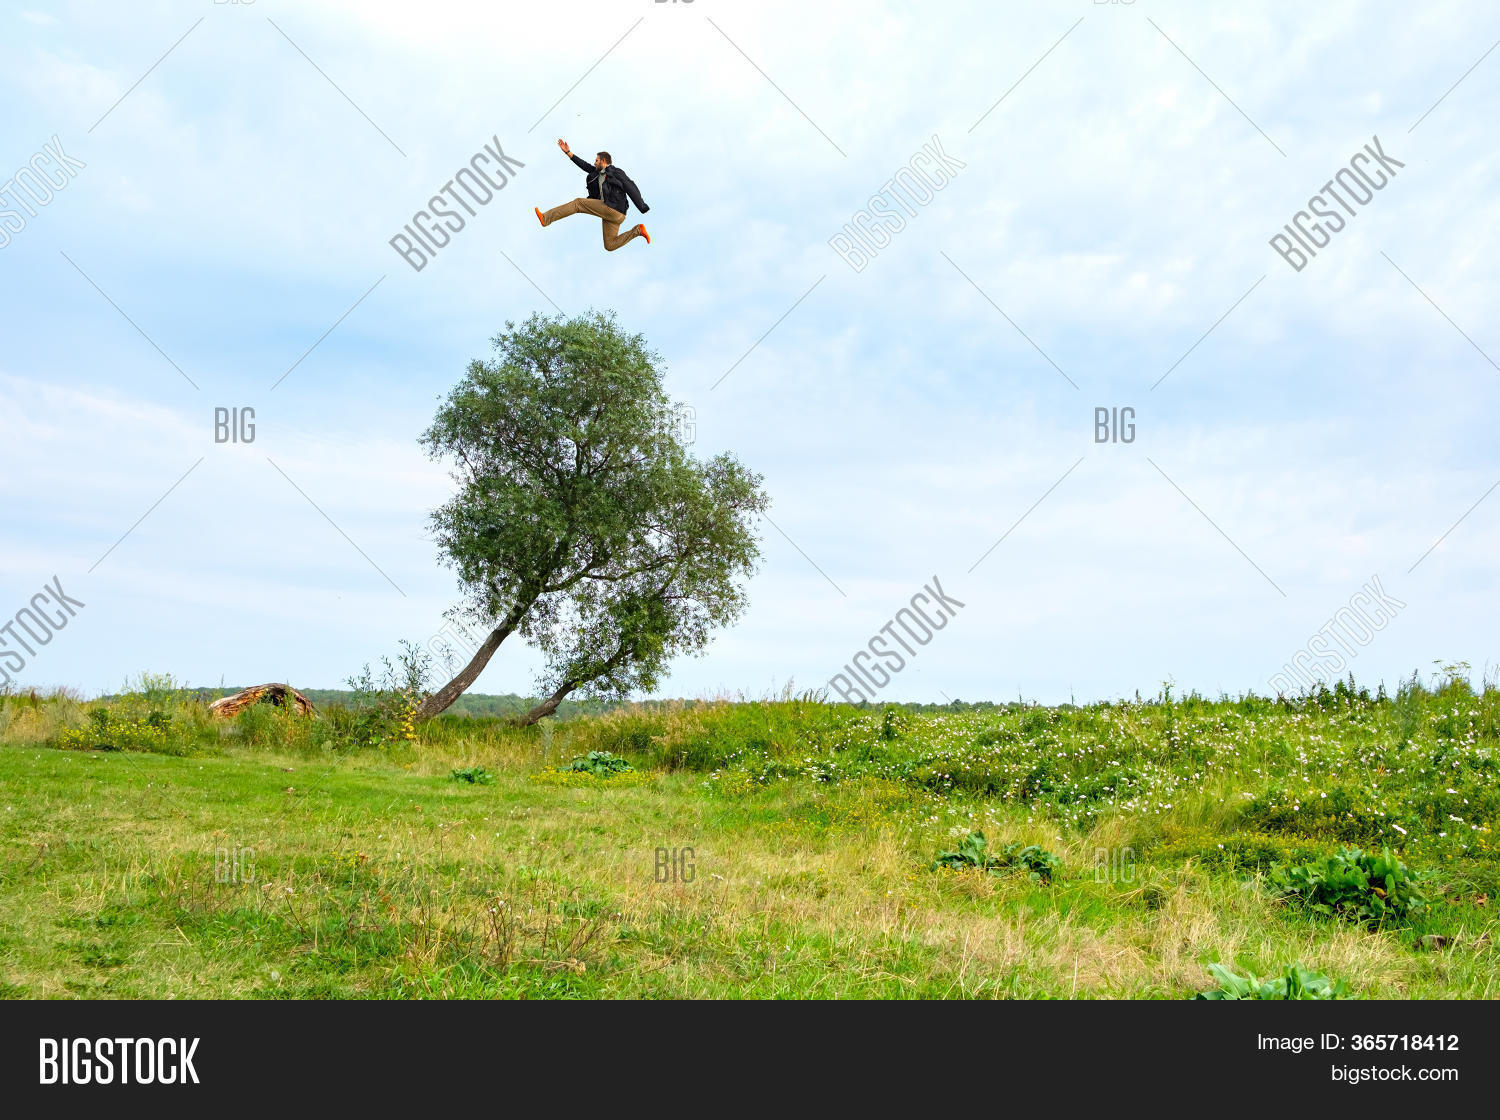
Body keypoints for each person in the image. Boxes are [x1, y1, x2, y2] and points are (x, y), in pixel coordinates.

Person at [535, 140, 651, 251]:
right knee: (609, 245)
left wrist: (642, 206)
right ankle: (638, 230)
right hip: (617, 216)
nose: (594, 163)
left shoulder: (615, 172)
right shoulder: (597, 173)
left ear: (603, 161)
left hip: (613, 208)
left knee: (578, 203)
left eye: (596, 160)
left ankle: (546, 218)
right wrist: (568, 152)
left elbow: (629, 185)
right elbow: (584, 165)